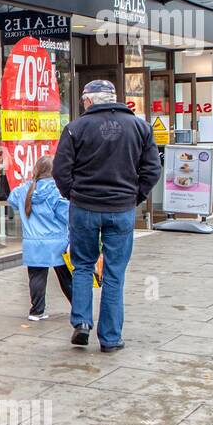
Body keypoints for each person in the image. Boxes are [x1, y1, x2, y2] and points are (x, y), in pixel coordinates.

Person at [52, 79, 160, 352]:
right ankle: (110, 338)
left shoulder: (76, 128)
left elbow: (60, 170)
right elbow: (152, 169)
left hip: (84, 208)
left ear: (88, 100)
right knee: (114, 273)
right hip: (121, 208)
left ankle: (81, 322)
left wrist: (72, 194)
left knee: (83, 266)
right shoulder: (139, 127)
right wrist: (135, 196)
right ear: (113, 98)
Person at [7, 154, 72, 321]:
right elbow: (67, 216)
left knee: (36, 277)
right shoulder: (57, 192)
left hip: (33, 244)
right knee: (67, 278)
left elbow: (12, 200)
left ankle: (36, 311)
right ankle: (78, 307)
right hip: (58, 243)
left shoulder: (24, 190)